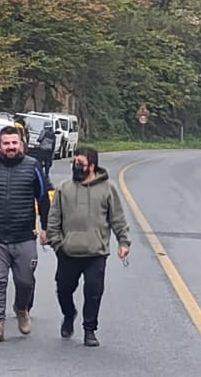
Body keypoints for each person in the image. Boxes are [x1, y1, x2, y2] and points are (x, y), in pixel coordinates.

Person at [0, 124, 50, 343]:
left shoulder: (32, 166)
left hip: (24, 235)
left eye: (14, 143)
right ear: (0, 145)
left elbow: (43, 197)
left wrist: (45, 227)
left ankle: (21, 308)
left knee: (25, 281)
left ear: (21, 144)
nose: (10, 147)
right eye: (6, 143)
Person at [48, 146, 129, 348]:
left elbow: (117, 218)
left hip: (96, 252)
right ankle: (68, 315)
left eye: (80, 163)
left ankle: (89, 329)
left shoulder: (108, 189)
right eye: (74, 162)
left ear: (92, 165)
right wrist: (57, 244)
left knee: (94, 291)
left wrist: (123, 242)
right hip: (68, 252)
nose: (76, 166)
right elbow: (53, 219)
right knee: (64, 289)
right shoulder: (63, 188)